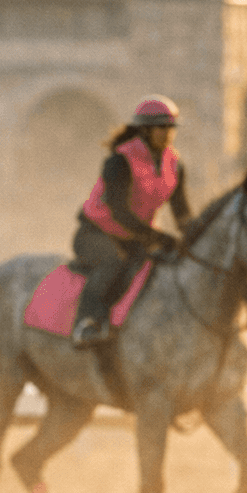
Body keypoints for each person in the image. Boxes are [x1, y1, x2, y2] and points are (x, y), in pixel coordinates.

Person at [69, 95, 192, 348]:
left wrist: (194, 238)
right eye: (161, 128)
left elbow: (182, 212)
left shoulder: (175, 165)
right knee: (113, 263)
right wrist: (158, 237)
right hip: (96, 233)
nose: (167, 134)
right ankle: (86, 323)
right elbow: (119, 213)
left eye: (171, 128)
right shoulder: (119, 161)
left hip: (136, 237)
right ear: (145, 131)